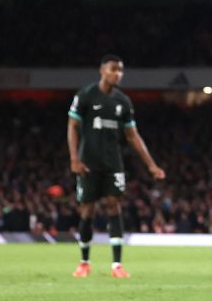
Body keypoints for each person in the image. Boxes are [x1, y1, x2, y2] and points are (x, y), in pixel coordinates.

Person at [66, 55, 165, 278]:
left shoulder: (123, 102)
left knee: (114, 205)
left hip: (113, 162)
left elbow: (132, 136)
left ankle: (117, 265)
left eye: (120, 70)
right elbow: (72, 125)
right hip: (88, 162)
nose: (117, 74)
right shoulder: (86, 95)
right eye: (113, 69)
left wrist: (151, 165)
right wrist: (74, 158)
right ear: (102, 70)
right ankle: (84, 262)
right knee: (88, 209)